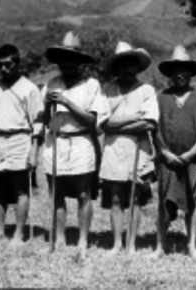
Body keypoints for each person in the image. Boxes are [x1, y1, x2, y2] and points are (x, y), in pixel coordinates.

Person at [41, 32, 110, 257]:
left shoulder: (91, 85)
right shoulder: (52, 83)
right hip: (55, 142)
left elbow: (92, 120)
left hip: (81, 143)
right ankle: (60, 238)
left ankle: (82, 240)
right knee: (57, 194)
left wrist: (67, 102)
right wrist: (47, 104)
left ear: (80, 62)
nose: (67, 64)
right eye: (63, 59)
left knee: (83, 194)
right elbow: (44, 118)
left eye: (72, 59)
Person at [99, 41, 158, 256]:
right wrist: (134, 117)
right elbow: (105, 124)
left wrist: (118, 122)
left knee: (134, 198)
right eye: (122, 65)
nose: (127, 69)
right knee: (115, 198)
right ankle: (117, 243)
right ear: (116, 67)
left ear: (137, 66)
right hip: (113, 149)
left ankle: (132, 244)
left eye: (131, 64)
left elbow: (150, 123)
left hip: (138, 148)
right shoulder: (107, 90)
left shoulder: (146, 90)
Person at [151, 45, 196, 259]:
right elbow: (154, 128)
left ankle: (191, 244)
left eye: (184, 70)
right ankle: (160, 245)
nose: (180, 74)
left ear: (191, 73)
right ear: (170, 74)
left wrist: (192, 152)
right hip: (167, 160)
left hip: (191, 160)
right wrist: (164, 152)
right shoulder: (161, 98)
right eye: (176, 70)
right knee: (164, 202)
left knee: (192, 202)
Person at [0, 44, 43, 246]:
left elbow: (38, 122)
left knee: (21, 189)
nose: (4, 69)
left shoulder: (29, 88)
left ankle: (19, 233)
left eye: (8, 65)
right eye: (0, 65)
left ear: (17, 64)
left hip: (20, 139)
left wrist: (33, 151)